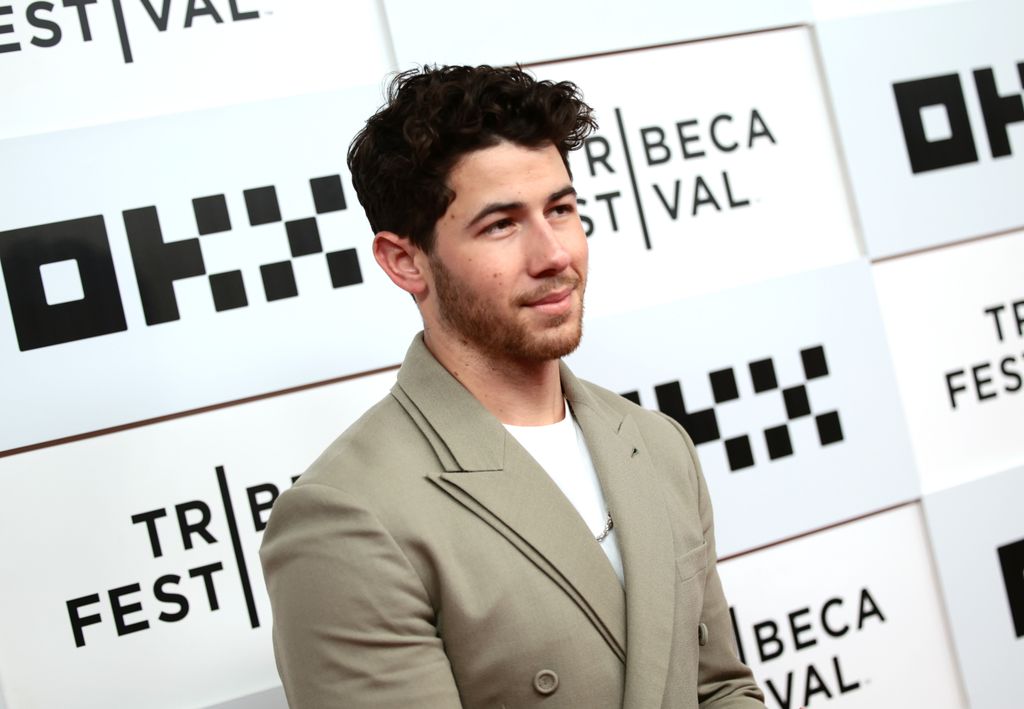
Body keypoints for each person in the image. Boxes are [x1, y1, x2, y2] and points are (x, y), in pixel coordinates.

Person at [260, 64, 765, 709]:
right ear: (405, 261)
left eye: (561, 210)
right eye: (501, 224)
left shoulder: (657, 444)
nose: (554, 255)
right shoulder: (348, 520)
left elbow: (718, 688)